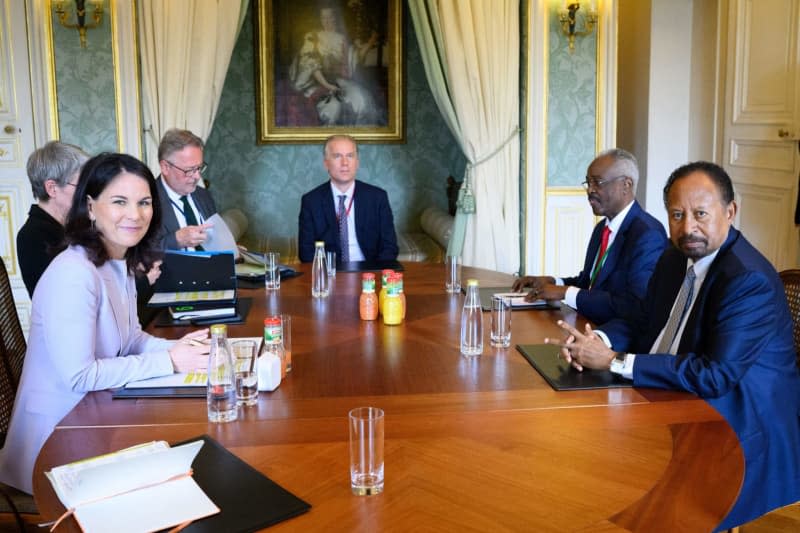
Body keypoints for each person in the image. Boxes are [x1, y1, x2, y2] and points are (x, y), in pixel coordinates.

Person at [547, 161, 800, 529]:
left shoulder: (747, 280)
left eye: (700, 214)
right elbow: (642, 319)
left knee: (643, 497)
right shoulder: (673, 256)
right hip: (671, 392)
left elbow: (715, 376)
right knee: (577, 448)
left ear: (730, 212)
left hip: (738, 419)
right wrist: (597, 340)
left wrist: (617, 360)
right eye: (677, 215)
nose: (688, 228)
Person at [0, 153, 209, 494]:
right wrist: (169, 360)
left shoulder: (116, 262)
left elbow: (131, 338)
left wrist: (185, 348)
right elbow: (80, 375)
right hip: (57, 437)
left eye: (144, 202)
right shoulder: (73, 273)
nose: (135, 214)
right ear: (91, 206)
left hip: (97, 415)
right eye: (119, 202)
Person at [513, 149, 668, 324]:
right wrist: (552, 282)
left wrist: (565, 292)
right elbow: (591, 283)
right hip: (585, 324)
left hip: (613, 338)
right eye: (588, 183)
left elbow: (634, 305)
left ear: (627, 185)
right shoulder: (602, 228)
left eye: (598, 182)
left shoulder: (647, 235)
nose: (590, 190)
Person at [298, 134, 398, 263]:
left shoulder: (377, 197)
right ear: (326, 163)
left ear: (357, 163)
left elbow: (389, 247)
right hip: (330, 272)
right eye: (337, 156)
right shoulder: (311, 201)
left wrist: (373, 276)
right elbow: (306, 252)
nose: (345, 163)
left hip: (369, 272)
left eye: (350, 156)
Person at [288, 5, 382, 126]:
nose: (327, 21)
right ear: (320, 19)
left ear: (336, 18)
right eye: (323, 18)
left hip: (338, 80)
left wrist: (371, 41)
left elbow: (354, 60)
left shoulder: (342, 39)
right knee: (333, 108)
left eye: (330, 17)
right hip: (316, 83)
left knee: (362, 99)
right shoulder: (312, 36)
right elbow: (310, 63)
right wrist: (328, 85)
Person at [17, 141, 89, 297]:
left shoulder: (69, 225)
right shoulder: (32, 236)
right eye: (82, 185)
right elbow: (68, 295)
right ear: (52, 189)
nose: (87, 193)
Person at [156, 128, 216, 250]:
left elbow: (214, 238)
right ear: (165, 167)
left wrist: (230, 249)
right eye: (189, 170)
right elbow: (138, 253)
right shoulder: (147, 201)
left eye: (199, 168)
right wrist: (176, 240)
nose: (197, 176)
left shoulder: (204, 195)